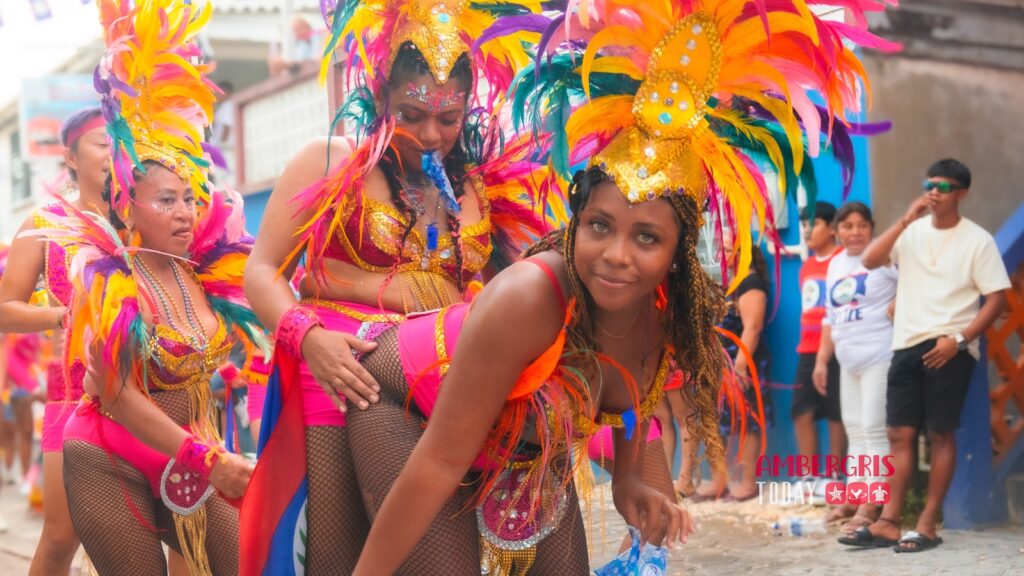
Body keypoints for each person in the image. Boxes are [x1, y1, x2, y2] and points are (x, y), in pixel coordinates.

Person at [341, 0, 890, 573]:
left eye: (648, 238)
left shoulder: (668, 319)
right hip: (402, 406)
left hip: (524, 440)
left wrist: (630, 482)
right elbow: (438, 464)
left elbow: (632, 412)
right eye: (600, 226)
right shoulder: (527, 297)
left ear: (678, 256)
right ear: (576, 222)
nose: (616, 256)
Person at [239, 1, 544, 573]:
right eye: (411, 114)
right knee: (336, 554)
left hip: (440, 378)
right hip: (341, 374)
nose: (430, 134)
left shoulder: (477, 187)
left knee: (438, 544)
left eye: (448, 119)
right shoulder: (328, 161)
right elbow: (260, 271)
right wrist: (309, 339)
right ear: (381, 96)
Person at [46, 2, 264, 573]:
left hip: (193, 451)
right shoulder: (107, 280)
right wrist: (208, 459)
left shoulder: (208, 271)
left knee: (246, 562)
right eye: (167, 200)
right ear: (128, 204)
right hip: (108, 455)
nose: (186, 212)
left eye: (191, 198)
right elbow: (115, 393)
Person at [841, 158, 1009, 552]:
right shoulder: (911, 232)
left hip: (948, 346)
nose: (934, 191)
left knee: (939, 433)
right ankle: (888, 522)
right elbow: (869, 260)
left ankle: (928, 523)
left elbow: (996, 298)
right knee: (898, 433)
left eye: (944, 186)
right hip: (905, 345)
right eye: (929, 183)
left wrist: (960, 338)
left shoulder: (977, 240)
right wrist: (904, 218)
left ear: (962, 193)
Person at [0, 106, 109, 574]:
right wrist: (65, 315)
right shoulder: (47, 221)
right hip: (73, 391)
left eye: (121, 143)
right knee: (61, 536)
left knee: (175, 527)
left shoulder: (150, 213)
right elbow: (6, 308)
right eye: (102, 144)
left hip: (154, 388)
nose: (114, 153)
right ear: (70, 157)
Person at [813, 201, 897, 528]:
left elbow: (914, 284)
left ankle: (873, 505)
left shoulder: (884, 257)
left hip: (880, 356)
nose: (855, 232)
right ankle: (856, 495)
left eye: (862, 225)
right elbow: (830, 317)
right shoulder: (835, 265)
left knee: (875, 430)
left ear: (872, 228)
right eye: (847, 226)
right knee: (855, 430)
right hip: (848, 363)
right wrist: (822, 361)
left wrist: (897, 302)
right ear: (837, 231)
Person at [690, 241, 772, 502]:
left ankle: (748, 483)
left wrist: (740, 366)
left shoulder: (750, 283)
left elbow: (753, 327)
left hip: (742, 363)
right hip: (720, 363)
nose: (722, 254)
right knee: (717, 420)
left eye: (728, 249)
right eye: (721, 249)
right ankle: (719, 480)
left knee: (747, 421)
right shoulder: (728, 283)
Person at [792, 201, 847, 485]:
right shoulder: (807, 266)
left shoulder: (842, 260)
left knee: (836, 412)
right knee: (801, 410)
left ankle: (836, 476)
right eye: (803, 225)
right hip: (807, 349)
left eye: (814, 224)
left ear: (832, 228)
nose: (807, 231)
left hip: (837, 348)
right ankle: (808, 476)